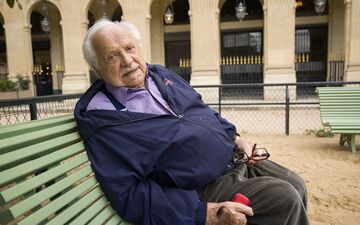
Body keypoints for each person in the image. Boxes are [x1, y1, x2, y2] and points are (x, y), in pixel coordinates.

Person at [74, 19, 309, 225]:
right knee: (285, 197)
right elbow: (128, 193)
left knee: (296, 182)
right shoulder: (103, 119)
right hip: (200, 187)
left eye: (130, 48)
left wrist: (237, 139)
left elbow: (203, 111)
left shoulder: (160, 75)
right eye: (112, 56)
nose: (127, 60)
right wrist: (198, 213)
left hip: (233, 160)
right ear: (97, 68)